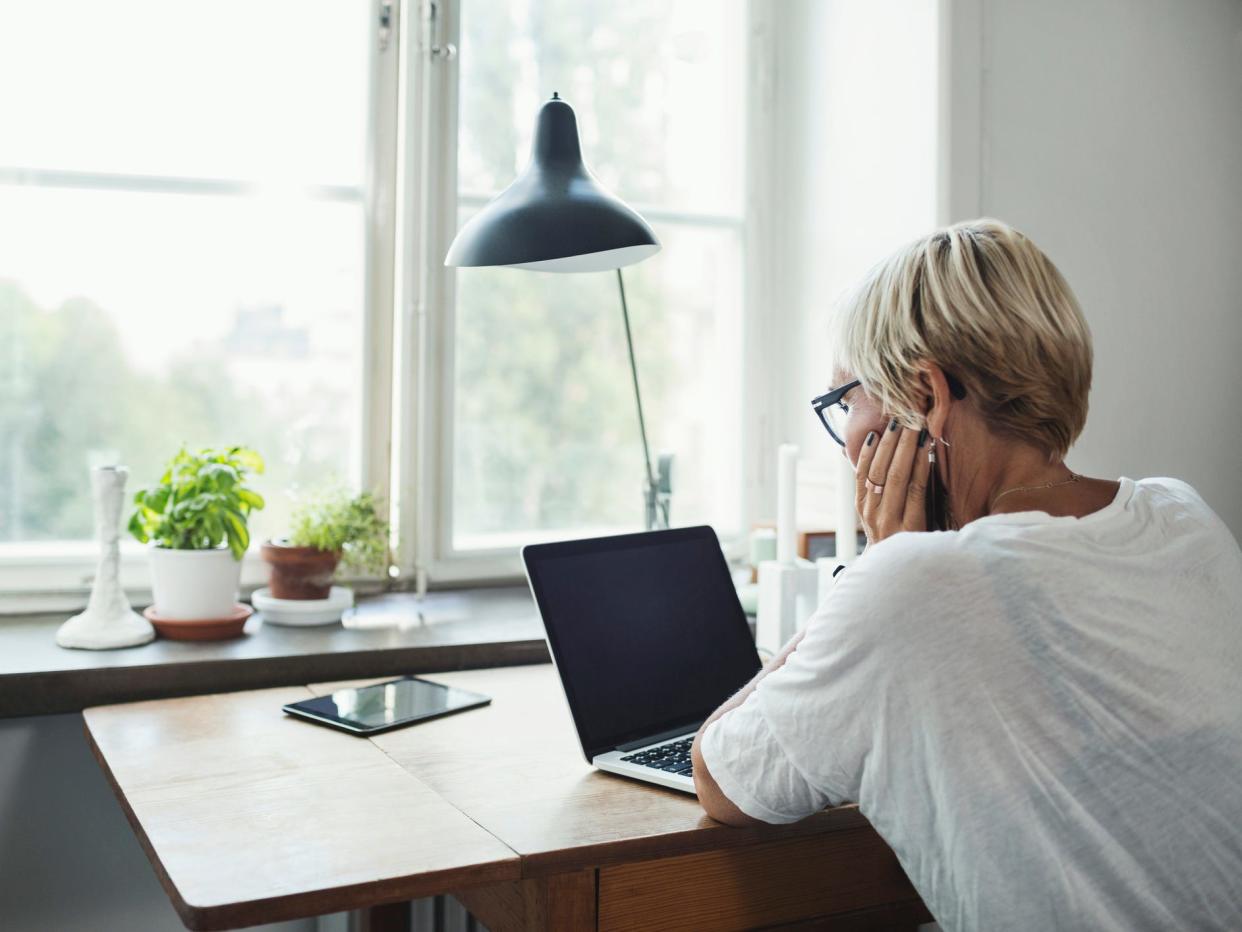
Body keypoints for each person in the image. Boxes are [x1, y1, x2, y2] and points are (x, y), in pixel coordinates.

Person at [691, 219, 1242, 931]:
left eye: (844, 402)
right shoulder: (1180, 515)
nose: (846, 441)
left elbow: (724, 780)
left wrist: (882, 566)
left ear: (924, 395)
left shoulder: (911, 586)